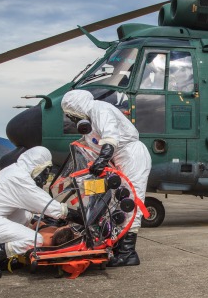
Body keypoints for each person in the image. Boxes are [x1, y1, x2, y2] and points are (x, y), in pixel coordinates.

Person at [61, 89, 151, 267]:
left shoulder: (99, 109)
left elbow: (110, 137)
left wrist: (104, 157)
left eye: (71, 115)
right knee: (114, 204)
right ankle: (117, 247)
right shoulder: (89, 126)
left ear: (76, 108)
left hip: (130, 155)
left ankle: (128, 253)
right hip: (117, 160)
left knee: (130, 202)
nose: (72, 120)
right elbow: (87, 149)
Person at [0, 146, 68, 279]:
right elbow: (50, 207)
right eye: (46, 171)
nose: (46, 177)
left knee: (26, 216)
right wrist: (74, 215)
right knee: (35, 240)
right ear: (38, 166)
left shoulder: (13, 171)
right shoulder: (20, 179)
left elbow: (33, 208)